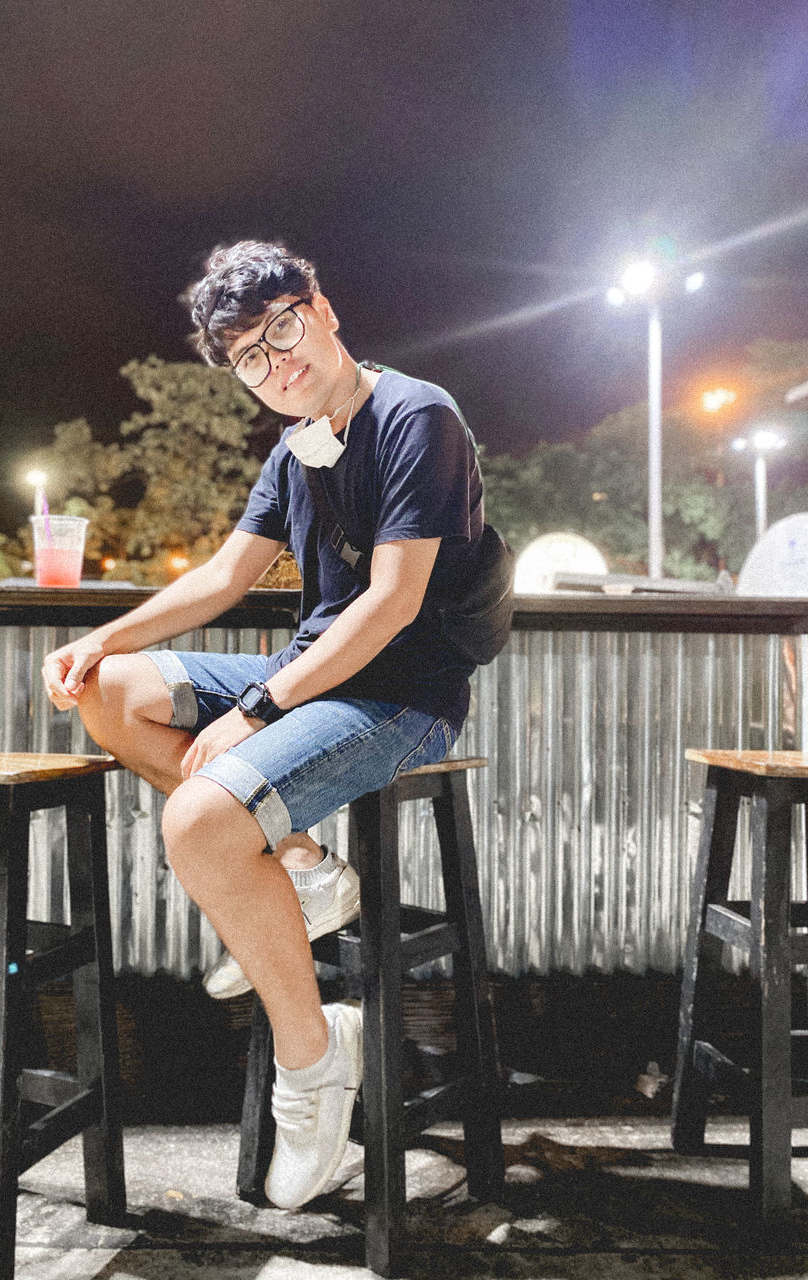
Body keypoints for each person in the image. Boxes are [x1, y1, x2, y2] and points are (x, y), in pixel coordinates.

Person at [42, 240, 499, 1210]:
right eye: (250, 356)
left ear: (322, 310)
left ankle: (314, 1055)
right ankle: (299, 862)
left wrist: (256, 709)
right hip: (315, 679)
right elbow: (223, 576)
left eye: (281, 329)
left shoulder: (417, 416)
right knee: (109, 693)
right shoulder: (295, 444)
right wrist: (99, 639)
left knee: (199, 820)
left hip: (402, 695)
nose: (274, 361)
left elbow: (390, 605)